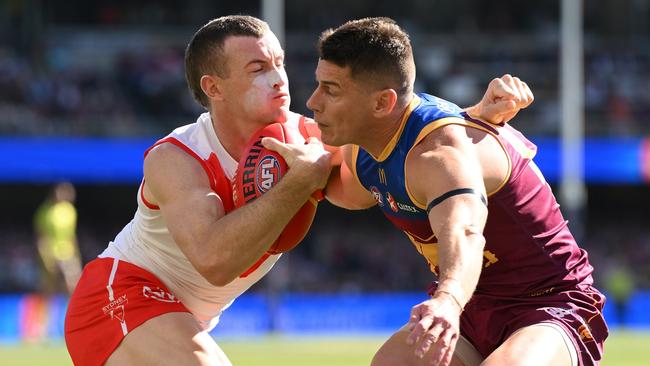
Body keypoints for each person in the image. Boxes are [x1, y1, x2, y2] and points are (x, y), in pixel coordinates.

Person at [64, 15, 533, 366]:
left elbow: (389, 149)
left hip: (187, 316)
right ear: (214, 87)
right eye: (256, 68)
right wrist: (300, 183)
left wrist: (472, 118)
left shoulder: (311, 135)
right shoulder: (176, 158)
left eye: (280, 62)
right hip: (118, 296)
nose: (279, 77)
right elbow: (214, 259)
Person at [289, 17, 608, 366]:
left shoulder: (440, 153)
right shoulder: (364, 150)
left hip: (548, 303)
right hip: (474, 303)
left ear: (382, 103)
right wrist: (300, 176)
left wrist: (448, 301)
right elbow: (347, 193)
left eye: (331, 90)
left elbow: (467, 233)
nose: (312, 100)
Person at [34, 182, 82, 295]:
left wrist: (77, 255)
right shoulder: (44, 211)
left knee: (73, 283)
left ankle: (72, 311)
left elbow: (71, 236)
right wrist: (45, 258)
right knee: (49, 288)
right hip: (50, 254)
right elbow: (41, 237)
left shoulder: (70, 211)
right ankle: (46, 312)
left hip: (67, 254)